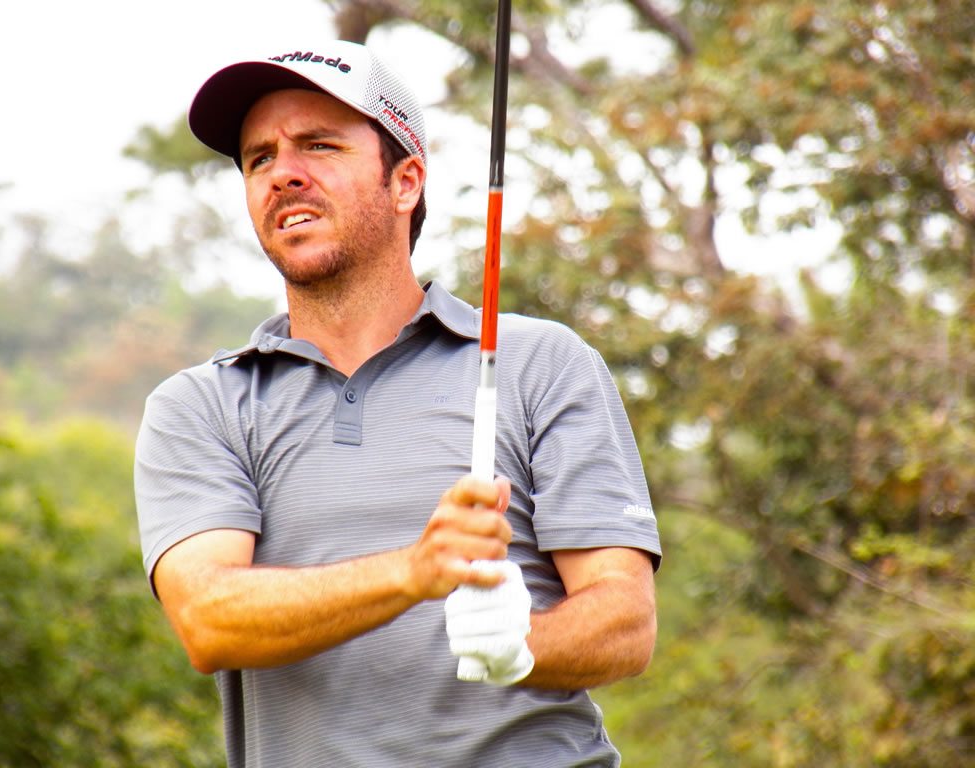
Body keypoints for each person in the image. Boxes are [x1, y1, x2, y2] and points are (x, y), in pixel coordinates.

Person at [134, 39, 662, 768]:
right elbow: (209, 619)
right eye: (259, 158)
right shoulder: (202, 406)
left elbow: (626, 623)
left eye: (319, 145)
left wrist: (522, 644)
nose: (284, 173)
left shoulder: (541, 363)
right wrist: (414, 572)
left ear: (405, 180)